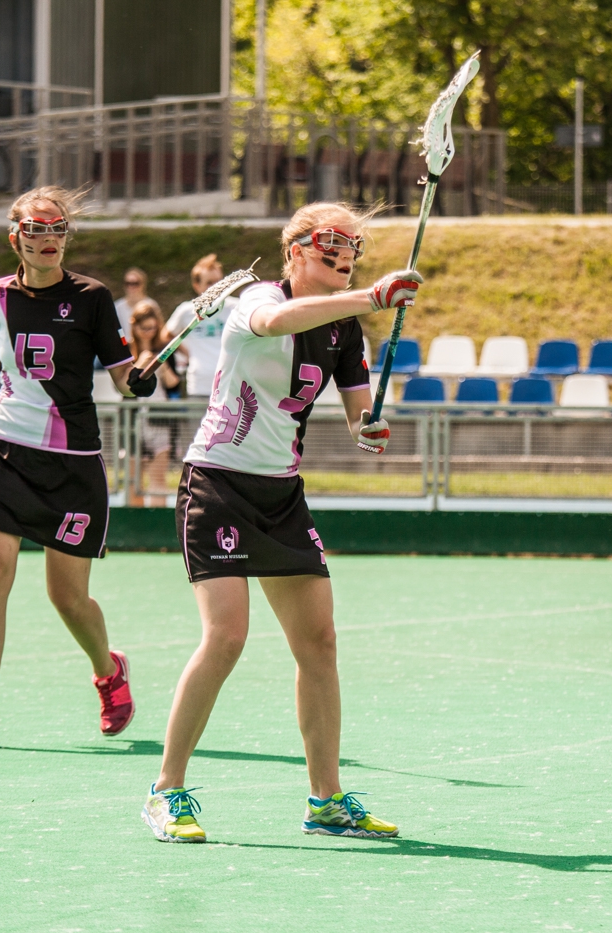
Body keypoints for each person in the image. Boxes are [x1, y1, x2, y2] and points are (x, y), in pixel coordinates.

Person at [141, 202, 414, 844]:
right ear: (295, 253)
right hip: (217, 483)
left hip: (282, 493)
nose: (341, 270)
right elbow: (277, 319)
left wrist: (366, 428)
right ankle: (166, 790)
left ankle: (326, 800)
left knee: (318, 643)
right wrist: (371, 296)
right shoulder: (257, 299)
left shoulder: (349, 327)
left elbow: (354, 413)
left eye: (350, 263)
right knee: (227, 637)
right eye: (329, 259)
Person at [0, 185, 159, 750]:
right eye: (36, 230)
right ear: (16, 238)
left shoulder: (94, 297)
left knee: (66, 596)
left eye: (57, 230)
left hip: (73, 462)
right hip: (7, 450)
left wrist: (138, 383)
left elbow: (123, 374)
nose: (48, 240)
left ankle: (108, 669)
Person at [163, 254, 232, 407]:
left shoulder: (237, 307)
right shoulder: (187, 310)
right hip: (199, 385)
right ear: (197, 286)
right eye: (209, 283)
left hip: (232, 387)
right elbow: (165, 336)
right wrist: (187, 352)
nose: (216, 287)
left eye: (219, 281)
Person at [128, 302, 180, 494]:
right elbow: (121, 386)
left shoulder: (165, 350)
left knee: (158, 480)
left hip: (159, 420)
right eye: (144, 328)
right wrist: (140, 365)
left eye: (152, 327)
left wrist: (162, 366)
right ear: (134, 327)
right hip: (132, 420)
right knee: (133, 483)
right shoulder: (126, 351)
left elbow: (175, 384)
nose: (148, 332)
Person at [114, 266, 161, 342]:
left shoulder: (151, 305)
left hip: (145, 346)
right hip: (124, 347)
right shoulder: (117, 306)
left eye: (135, 283)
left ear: (143, 284)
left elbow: (158, 329)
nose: (131, 287)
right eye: (128, 283)